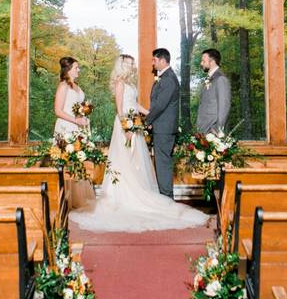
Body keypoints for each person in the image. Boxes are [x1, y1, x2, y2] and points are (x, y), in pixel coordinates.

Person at [70, 53, 208, 232]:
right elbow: (120, 109)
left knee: (136, 163)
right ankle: (122, 198)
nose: (133, 66)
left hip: (134, 125)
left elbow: (135, 105)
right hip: (124, 127)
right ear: (122, 66)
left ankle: (138, 194)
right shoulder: (120, 84)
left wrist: (149, 115)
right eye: (130, 63)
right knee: (124, 161)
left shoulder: (130, 84)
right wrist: (126, 128)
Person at [52, 56, 94, 208]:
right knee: (67, 163)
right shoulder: (63, 86)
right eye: (76, 68)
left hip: (77, 129)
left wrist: (83, 116)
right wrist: (75, 120)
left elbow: (77, 107)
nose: (79, 70)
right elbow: (58, 110)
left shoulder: (76, 86)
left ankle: (77, 200)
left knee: (78, 163)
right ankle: (66, 201)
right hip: (65, 128)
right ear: (68, 70)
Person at [145, 47, 180, 198]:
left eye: (154, 60)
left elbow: (160, 105)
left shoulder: (169, 79)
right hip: (162, 128)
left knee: (163, 164)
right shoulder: (166, 77)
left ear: (162, 60)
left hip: (164, 130)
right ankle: (165, 197)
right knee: (161, 164)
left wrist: (147, 121)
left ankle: (167, 199)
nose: (153, 63)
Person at [196, 48, 232, 134]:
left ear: (212, 61)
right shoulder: (209, 79)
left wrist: (217, 129)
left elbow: (224, 106)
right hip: (204, 130)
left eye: (203, 61)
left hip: (212, 132)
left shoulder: (221, 79)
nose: (201, 64)